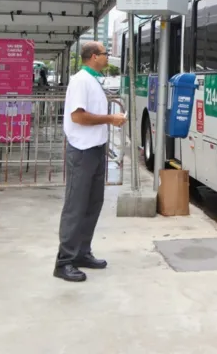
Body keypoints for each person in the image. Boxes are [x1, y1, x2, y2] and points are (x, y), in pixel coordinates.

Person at [54, 41, 127, 283]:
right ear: (94, 56)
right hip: (82, 151)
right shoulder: (81, 81)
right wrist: (110, 118)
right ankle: (64, 260)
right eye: (105, 54)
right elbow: (78, 116)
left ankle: (82, 252)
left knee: (92, 204)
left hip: (95, 150)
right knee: (76, 206)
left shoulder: (93, 80)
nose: (108, 58)